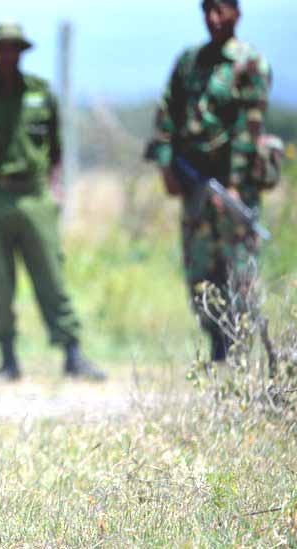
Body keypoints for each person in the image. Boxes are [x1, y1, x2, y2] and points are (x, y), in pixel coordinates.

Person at [0, 22, 104, 382]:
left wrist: (56, 187)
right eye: (1, 48)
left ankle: (72, 353)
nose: (8, 55)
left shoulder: (41, 93)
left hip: (35, 195)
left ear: (21, 52)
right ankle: (7, 359)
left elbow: (57, 146)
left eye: (13, 48)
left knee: (52, 276)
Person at [145, 0, 279, 362]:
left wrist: (233, 184)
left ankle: (240, 351)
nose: (213, 18)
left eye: (220, 10)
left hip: (234, 189)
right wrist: (166, 166)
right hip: (194, 185)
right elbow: (166, 114)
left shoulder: (250, 63)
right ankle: (216, 346)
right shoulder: (189, 61)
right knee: (199, 270)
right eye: (207, 10)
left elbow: (249, 130)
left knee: (239, 273)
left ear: (237, 13)